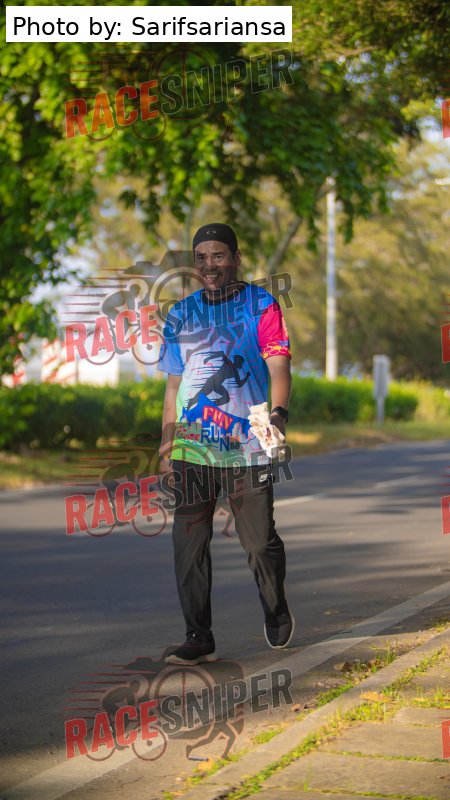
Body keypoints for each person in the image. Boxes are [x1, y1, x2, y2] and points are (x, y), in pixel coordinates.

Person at [157, 223, 294, 665]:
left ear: (235, 258)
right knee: (188, 543)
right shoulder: (181, 313)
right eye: (201, 257)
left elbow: (279, 366)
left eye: (218, 255)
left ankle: (275, 606)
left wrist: (278, 415)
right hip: (192, 443)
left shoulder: (261, 305)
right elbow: (174, 384)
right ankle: (198, 636)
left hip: (246, 443)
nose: (209, 265)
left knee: (259, 543)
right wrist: (167, 442)